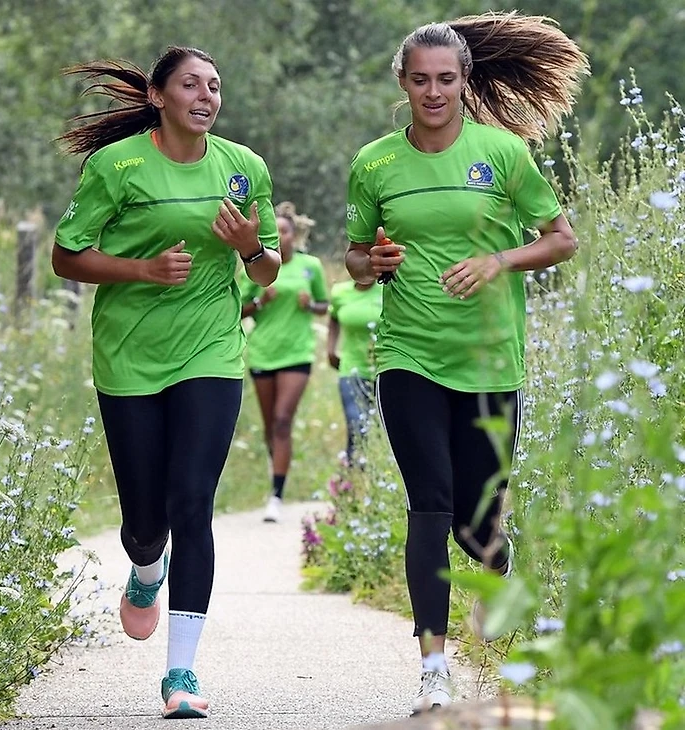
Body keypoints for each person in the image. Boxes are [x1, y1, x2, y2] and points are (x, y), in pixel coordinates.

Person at [344, 12, 588, 715]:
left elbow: (561, 239)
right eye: (419, 80)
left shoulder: (503, 155)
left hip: (489, 360)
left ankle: (498, 567)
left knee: (476, 527)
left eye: (445, 79)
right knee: (431, 506)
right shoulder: (376, 162)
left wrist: (499, 259)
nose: (433, 92)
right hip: (409, 355)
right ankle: (432, 668)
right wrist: (374, 262)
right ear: (402, 82)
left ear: (465, 80)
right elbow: (357, 259)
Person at [51, 46, 281, 719]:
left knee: (191, 504)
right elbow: (67, 255)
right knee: (146, 523)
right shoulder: (117, 166)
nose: (206, 96)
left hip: (210, 350)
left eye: (214, 85)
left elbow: (267, 270)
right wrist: (141, 272)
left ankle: (181, 673)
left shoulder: (244, 169)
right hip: (129, 355)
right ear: (158, 96)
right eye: (190, 85)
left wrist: (247, 249)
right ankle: (145, 570)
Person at [240, 201, 329, 523]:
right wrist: (259, 300)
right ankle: (275, 468)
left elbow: (324, 306)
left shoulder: (311, 267)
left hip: (298, 352)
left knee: (282, 420)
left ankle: (276, 495)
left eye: (285, 231)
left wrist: (311, 305)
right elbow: (237, 309)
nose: (280, 236)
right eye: (274, 232)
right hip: (263, 351)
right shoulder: (257, 267)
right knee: (270, 427)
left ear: (294, 235)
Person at [326, 278, 383, 467]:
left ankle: (372, 472)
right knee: (356, 422)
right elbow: (333, 319)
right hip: (351, 368)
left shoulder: (387, 289)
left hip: (384, 368)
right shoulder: (340, 292)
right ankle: (355, 471)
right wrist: (331, 349)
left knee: (381, 428)